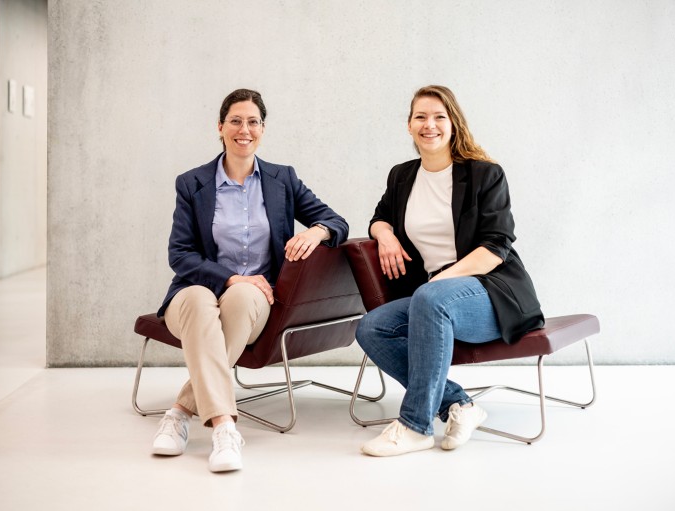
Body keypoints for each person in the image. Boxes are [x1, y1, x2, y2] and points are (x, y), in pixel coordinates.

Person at [151, 88, 348, 472]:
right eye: (236, 121)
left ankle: (179, 413)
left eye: (253, 121)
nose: (245, 129)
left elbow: (337, 222)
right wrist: (230, 279)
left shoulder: (283, 180)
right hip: (194, 296)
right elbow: (180, 254)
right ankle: (225, 427)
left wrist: (316, 231)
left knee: (241, 300)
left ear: (263, 129)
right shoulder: (191, 183)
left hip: (257, 300)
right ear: (220, 127)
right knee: (197, 299)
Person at [356, 85, 544, 457]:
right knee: (371, 327)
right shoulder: (402, 176)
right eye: (421, 117)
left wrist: (441, 281)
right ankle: (460, 405)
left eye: (439, 116)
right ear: (409, 126)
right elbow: (379, 217)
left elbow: (495, 247)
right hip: (434, 297)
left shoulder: (484, 175)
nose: (430, 125)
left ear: (453, 124)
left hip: (490, 291)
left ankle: (415, 426)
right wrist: (386, 235)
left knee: (430, 297)